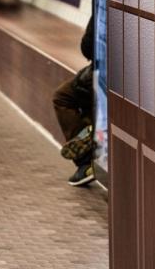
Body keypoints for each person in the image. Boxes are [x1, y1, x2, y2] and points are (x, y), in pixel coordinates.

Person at [53, 16, 96, 186]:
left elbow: (88, 46)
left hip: (103, 73)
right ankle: (91, 135)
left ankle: (86, 161)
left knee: (63, 97)